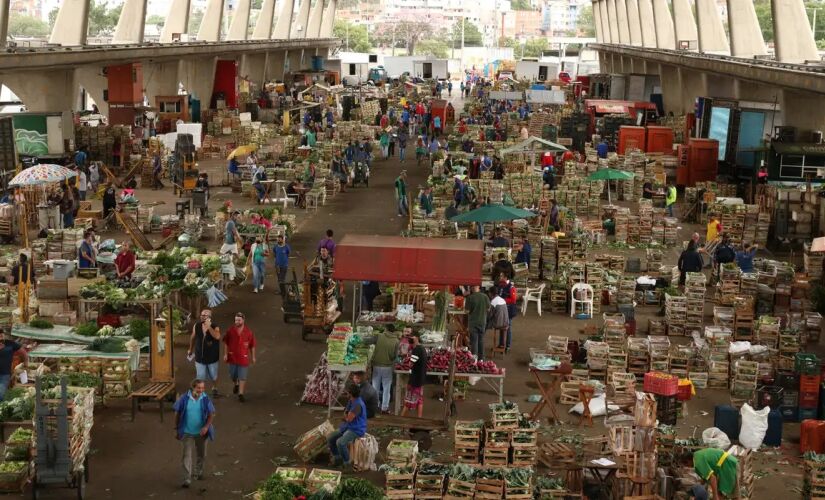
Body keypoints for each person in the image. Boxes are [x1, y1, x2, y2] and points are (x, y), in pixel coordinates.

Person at [173, 379, 216, 489]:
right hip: (186, 432)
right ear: (193, 388)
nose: (201, 390)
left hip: (201, 433)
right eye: (198, 388)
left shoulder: (205, 399)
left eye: (203, 388)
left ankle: (199, 471)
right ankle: (187, 478)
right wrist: (177, 429)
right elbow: (177, 413)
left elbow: (211, 414)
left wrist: (206, 427)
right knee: (186, 456)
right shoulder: (184, 399)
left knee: (201, 454)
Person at [327, 384, 367, 470]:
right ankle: (338, 459)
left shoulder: (357, 405)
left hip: (356, 429)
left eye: (347, 393)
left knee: (340, 442)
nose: (346, 394)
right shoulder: (351, 401)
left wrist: (346, 416)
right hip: (348, 426)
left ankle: (347, 463)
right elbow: (346, 414)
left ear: (350, 394)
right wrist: (346, 416)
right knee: (330, 438)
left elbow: (348, 418)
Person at [187, 309, 221, 397]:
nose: (202, 317)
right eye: (201, 315)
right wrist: (190, 349)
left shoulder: (215, 326)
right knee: (200, 376)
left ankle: (215, 387)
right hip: (199, 357)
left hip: (212, 357)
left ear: (209, 317)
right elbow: (192, 337)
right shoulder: (197, 325)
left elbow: (217, 336)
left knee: (213, 376)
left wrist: (209, 327)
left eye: (205, 315)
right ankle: (200, 392)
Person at [223, 312, 256, 402]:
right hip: (232, 357)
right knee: (233, 375)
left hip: (243, 358)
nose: (237, 322)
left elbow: (252, 345)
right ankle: (236, 383)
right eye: (236, 320)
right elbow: (226, 343)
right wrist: (225, 354)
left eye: (239, 320)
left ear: (243, 320)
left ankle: (241, 394)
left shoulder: (249, 332)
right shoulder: (230, 331)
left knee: (242, 376)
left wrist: (253, 357)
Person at [370, 324, 400, 414]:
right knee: (386, 389)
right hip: (387, 367)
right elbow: (396, 356)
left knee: (375, 387)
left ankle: (375, 406)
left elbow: (367, 341)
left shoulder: (379, 336)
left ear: (385, 329)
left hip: (376, 366)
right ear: (393, 331)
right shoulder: (396, 341)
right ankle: (384, 408)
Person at [400, 334, 427, 418]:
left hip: (415, 379)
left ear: (417, 338)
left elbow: (411, 364)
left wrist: (407, 360)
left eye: (413, 337)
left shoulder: (417, 349)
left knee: (409, 401)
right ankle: (419, 419)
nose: (411, 338)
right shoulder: (422, 348)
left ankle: (400, 419)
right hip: (421, 379)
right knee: (419, 400)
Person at [465, 285, 490, 359]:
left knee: (474, 342)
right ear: (478, 287)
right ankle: (481, 359)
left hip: (473, 323)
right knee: (481, 340)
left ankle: (474, 359)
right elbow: (488, 309)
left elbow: (467, 311)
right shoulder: (485, 296)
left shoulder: (470, 298)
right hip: (482, 321)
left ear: (471, 288)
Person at [497, 277, 517, 352]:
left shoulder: (511, 287)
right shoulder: (501, 286)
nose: (500, 277)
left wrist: (502, 300)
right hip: (502, 310)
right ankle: (501, 344)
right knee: (501, 326)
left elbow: (513, 300)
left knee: (507, 328)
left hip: (509, 311)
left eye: (502, 276)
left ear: (506, 277)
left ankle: (507, 345)